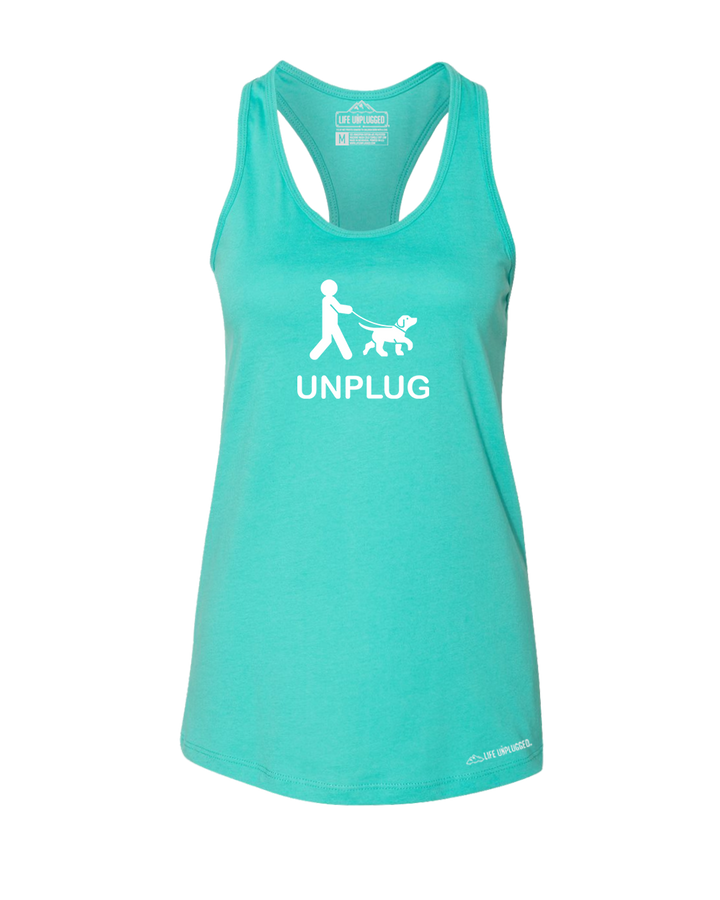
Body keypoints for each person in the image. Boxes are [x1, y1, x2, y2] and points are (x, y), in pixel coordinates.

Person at [309, 279, 353, 360]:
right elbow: (338, 308)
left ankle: (314, 355)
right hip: (331, 323)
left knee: (327, 340)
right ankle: (347, 355)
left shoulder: (326, 299)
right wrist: (349, 309)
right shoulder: (330, 299)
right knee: (336, 338)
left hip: (328, 323)